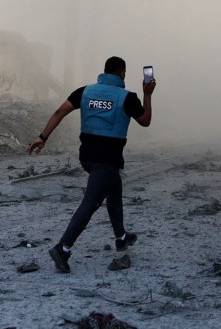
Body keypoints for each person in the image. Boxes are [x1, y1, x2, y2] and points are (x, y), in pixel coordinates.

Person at [27, 56, 155, 273]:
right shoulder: (127, 97)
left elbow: (60, 112)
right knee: (91, 202)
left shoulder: (85, 91)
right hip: (106, 159)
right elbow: (145, 121)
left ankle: (121, 237)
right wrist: (147, 94)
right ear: (122, 74)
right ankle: (63, 248)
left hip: (87, 156)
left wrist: (43, 137)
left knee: (114, 188)